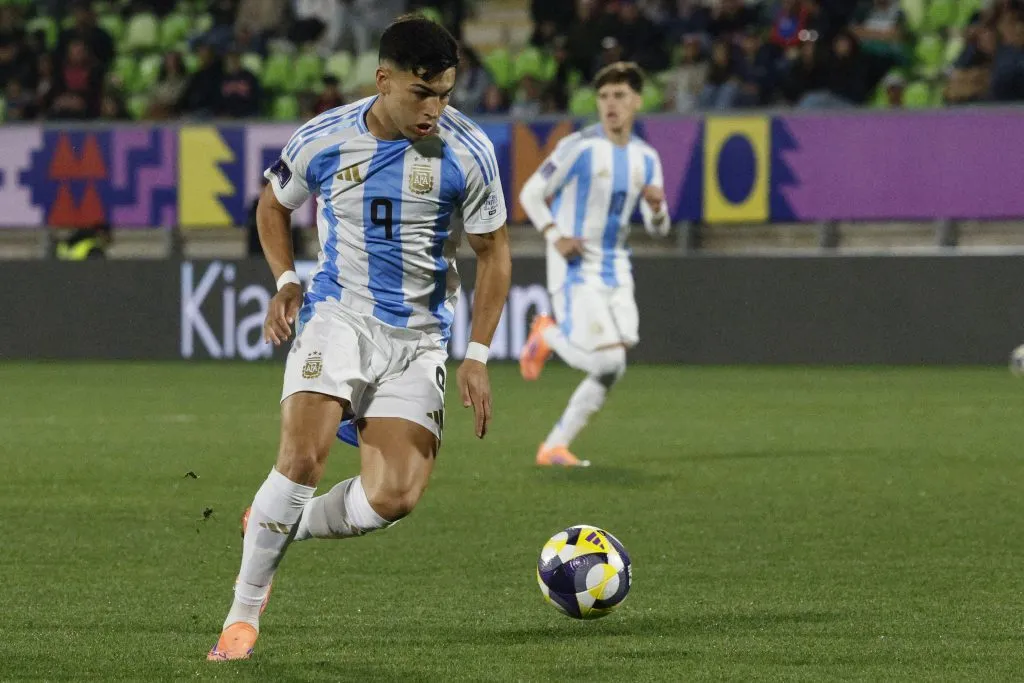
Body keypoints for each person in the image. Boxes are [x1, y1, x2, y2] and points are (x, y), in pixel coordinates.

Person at [207, 14, 511, 660]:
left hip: (420, 335)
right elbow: (271, 204)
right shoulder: (323, 139)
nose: (435, 109)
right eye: (421, 93)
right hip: (338, 316)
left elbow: (494, 252)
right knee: (302, 458)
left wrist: (478, 353)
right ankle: (242, 614)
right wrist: (287, 277)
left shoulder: (468, 151)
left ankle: (278, 522)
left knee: (394, 496)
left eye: (446, 94)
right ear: (383, 80)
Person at [517, 61, 669, 467]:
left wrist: (656, 209)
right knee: (608, 359)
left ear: (637, 101)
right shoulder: (579, 147)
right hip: (574, 261)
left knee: (612, 368)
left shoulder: (647, 158)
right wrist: (555, 236)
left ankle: (554, 447)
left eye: (619, 96)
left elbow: (659, 228)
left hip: (616, 267)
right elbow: (531, 193)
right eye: (603, 97)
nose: (610, 104)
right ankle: (546, 335)